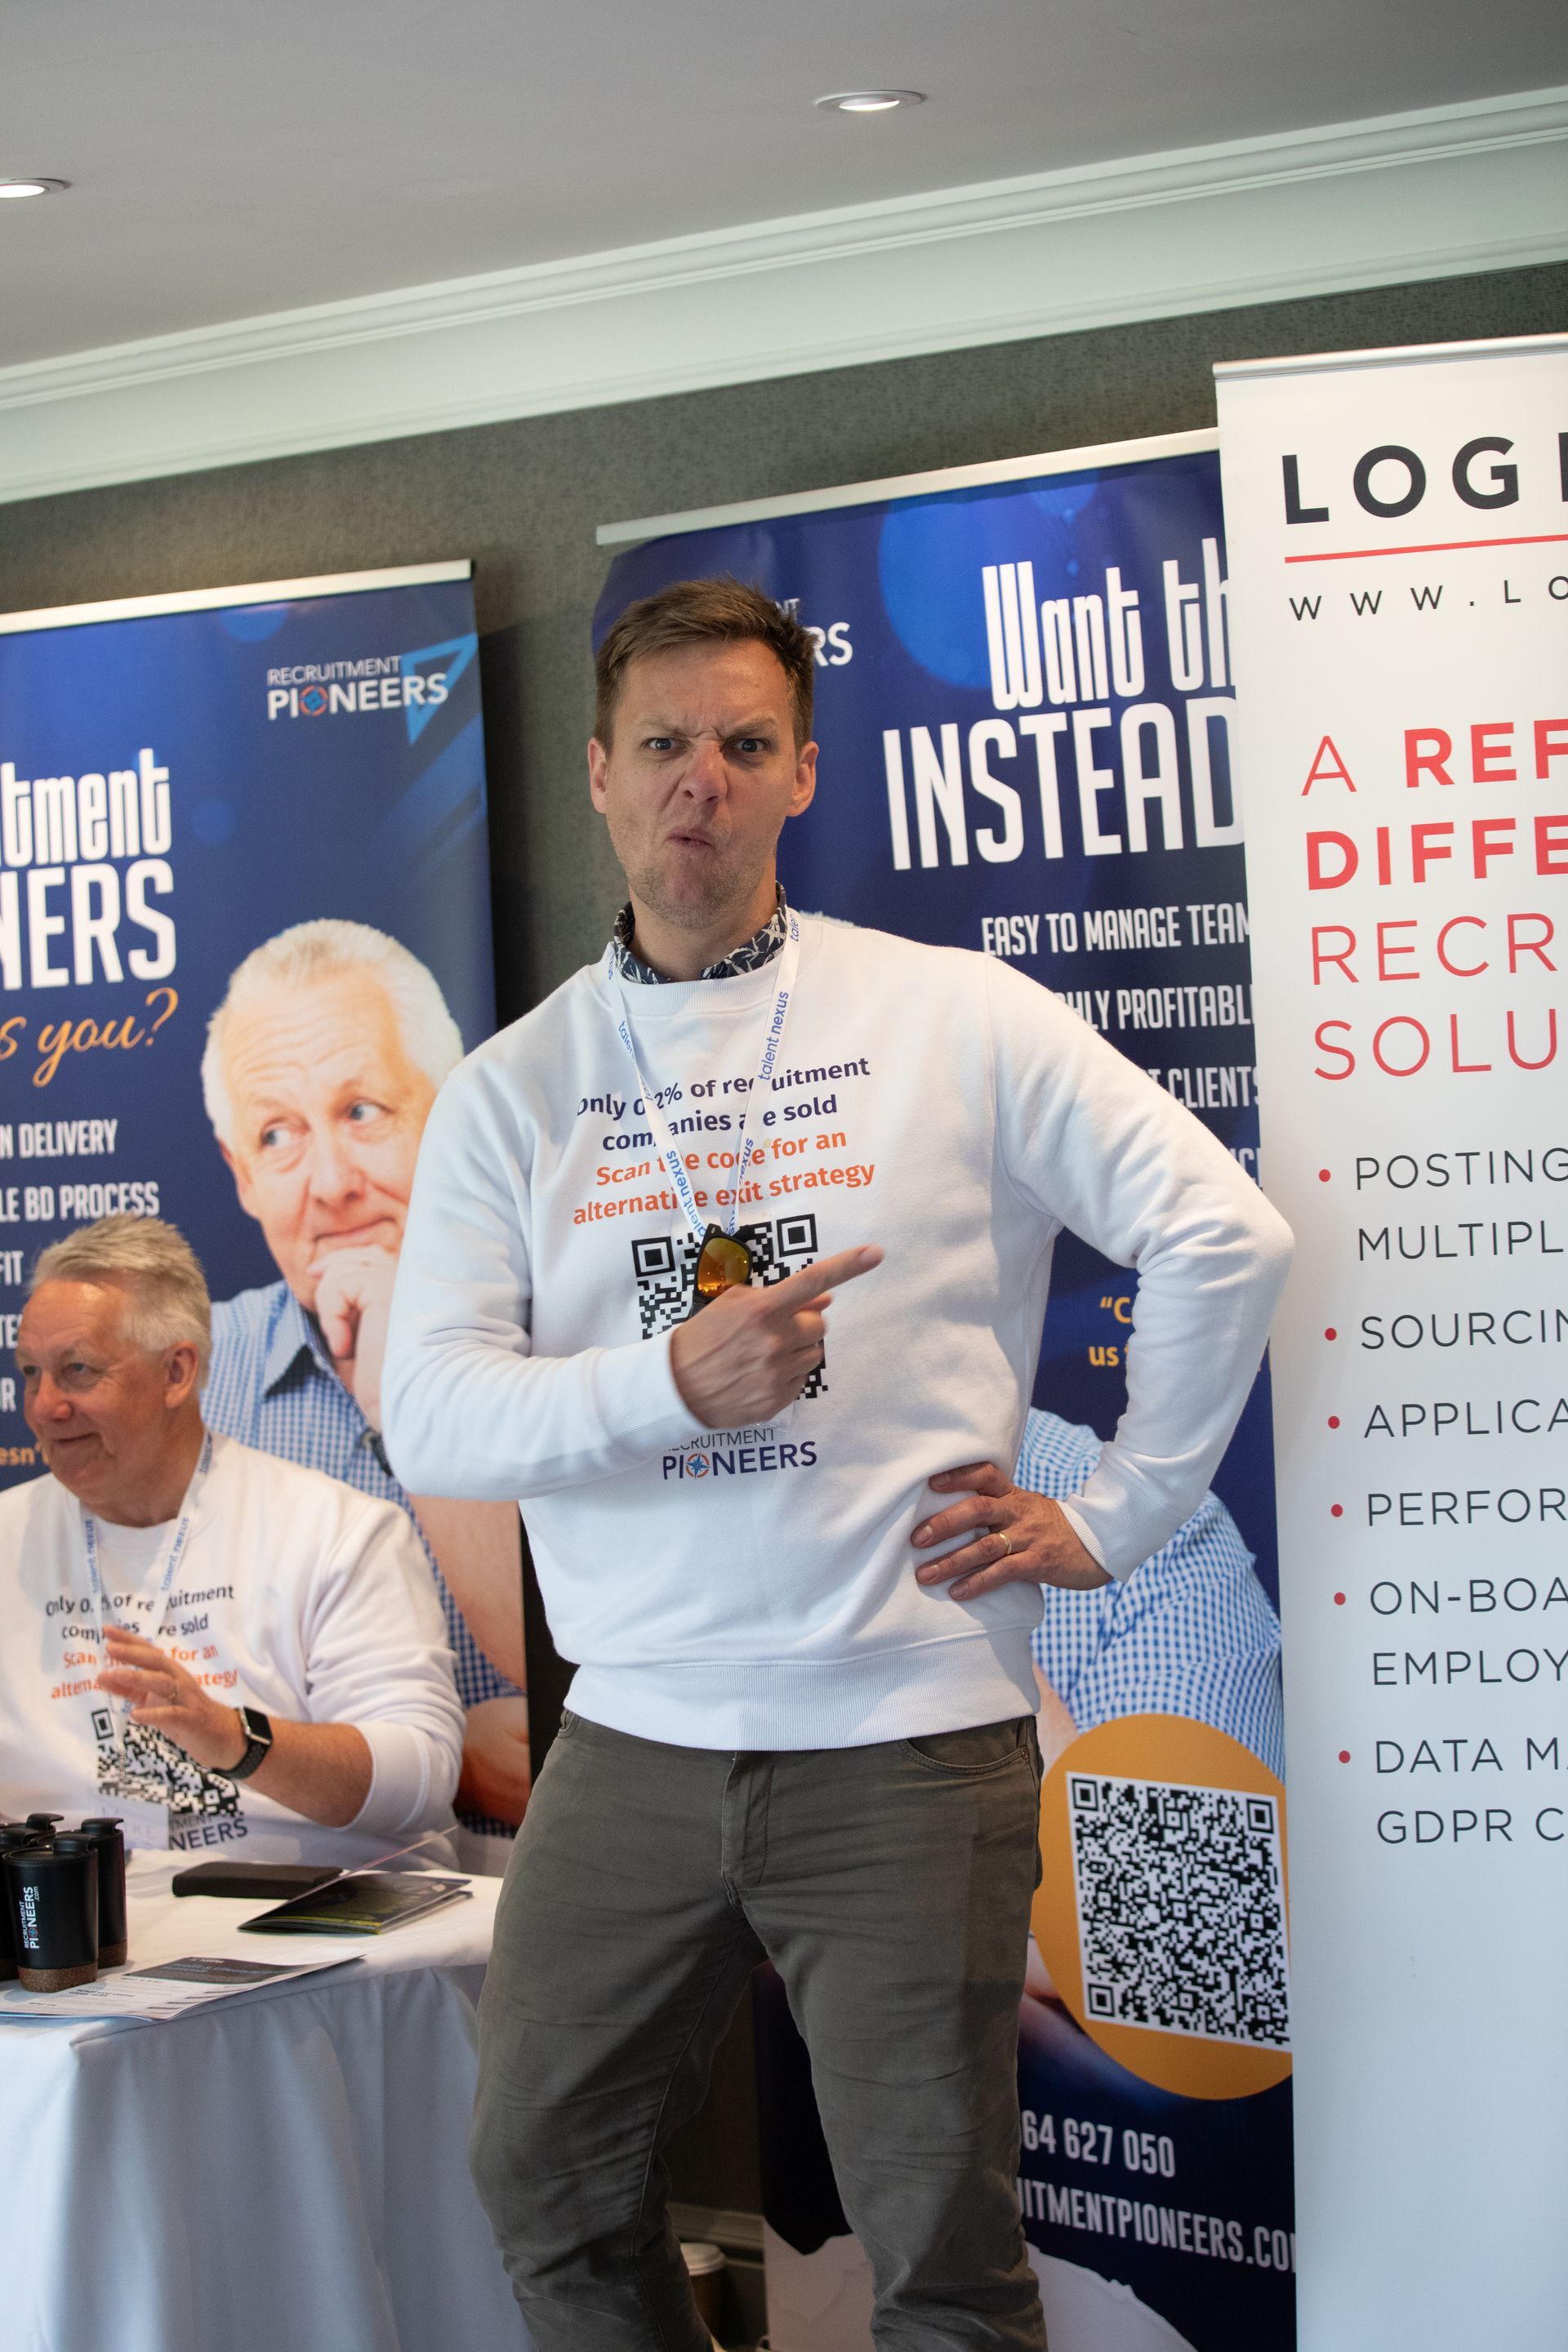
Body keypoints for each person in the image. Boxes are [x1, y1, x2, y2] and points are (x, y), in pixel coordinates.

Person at [382, 577, 1293, 2352]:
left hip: (900, 1738)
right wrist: (669, 1381)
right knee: (540, 2180)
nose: (696, 783)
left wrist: (1121, 1519)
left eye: (742, 744)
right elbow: (433, 1413)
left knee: (939, 2254)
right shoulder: (513, 1089)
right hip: (633, 1738)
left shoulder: (955, 1017)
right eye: (662, 745)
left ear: (804, 772)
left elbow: (1221, 1235)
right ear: (597, 772)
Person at [198, 918, 529, 1860]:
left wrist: (403, 1387)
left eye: (362, 1112)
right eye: (279, 1134)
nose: (334, 1182)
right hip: (298, 1901)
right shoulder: (193, 1383)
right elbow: (161, 1703)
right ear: (242, 1174)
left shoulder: (566, 1341)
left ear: (448, 1110)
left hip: (558, 1894)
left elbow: (606, 1680)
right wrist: (436, 1753)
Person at [2, 1214, 464, 1869]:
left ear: (177, 1373)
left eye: (77, 1371)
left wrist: (233, 1737)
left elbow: (420, 1776)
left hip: (316, 1930)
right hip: (82, 1938)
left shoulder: (336, 1532)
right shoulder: (7, 1540)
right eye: (30, 1373)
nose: (45, 1406)